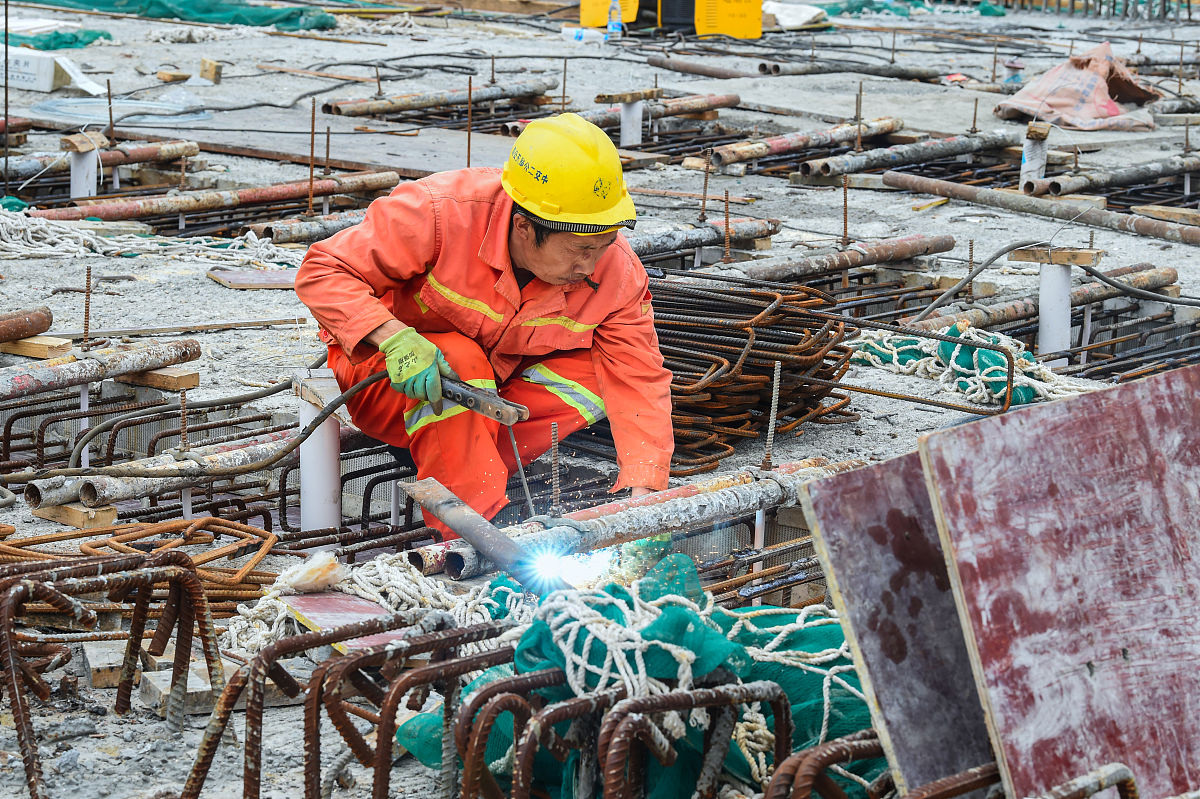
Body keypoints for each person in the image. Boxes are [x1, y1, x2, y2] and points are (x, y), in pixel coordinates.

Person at [295, 113, 674, 537]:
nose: (590, 266)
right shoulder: (439, 213)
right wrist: (394, 338)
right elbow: (322, 270)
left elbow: (639, 376)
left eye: (603, 245)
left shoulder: (615, 270)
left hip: (489, 411)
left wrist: (646, 500)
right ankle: (474, 536)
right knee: (462, 360)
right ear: (525, 227)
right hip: (390, 383)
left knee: (597, 373)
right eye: (578, 250)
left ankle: (466, 468)